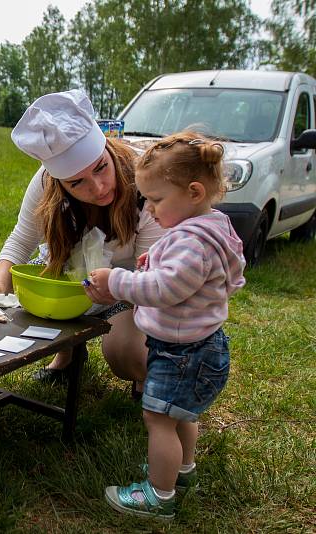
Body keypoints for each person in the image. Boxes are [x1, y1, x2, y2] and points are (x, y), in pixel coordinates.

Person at [84, 131, 246, 519]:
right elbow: (184, 272)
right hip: (198, 347)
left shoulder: (193, 240)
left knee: (159, 420)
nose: (151, 210)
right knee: (182, 415)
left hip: (181, 354)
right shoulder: (211, 226)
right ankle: (182, 470)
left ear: (193, 192)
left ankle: (159, 495)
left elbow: (166, 288)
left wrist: (116, 282)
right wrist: (153, 260)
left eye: (156, 200)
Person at [0, 90, 165, 391]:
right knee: (37, 291)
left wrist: (116, 288)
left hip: (128, 286)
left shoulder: (145, 181)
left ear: (108, 150)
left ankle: (146, 378)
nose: (99, 187)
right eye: (78, 183)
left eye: (101, 167)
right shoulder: (46, 182)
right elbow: (21, 240)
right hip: (72, 281)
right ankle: (68, 355)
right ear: (60, 183)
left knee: (126, 352)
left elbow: (151, 271)